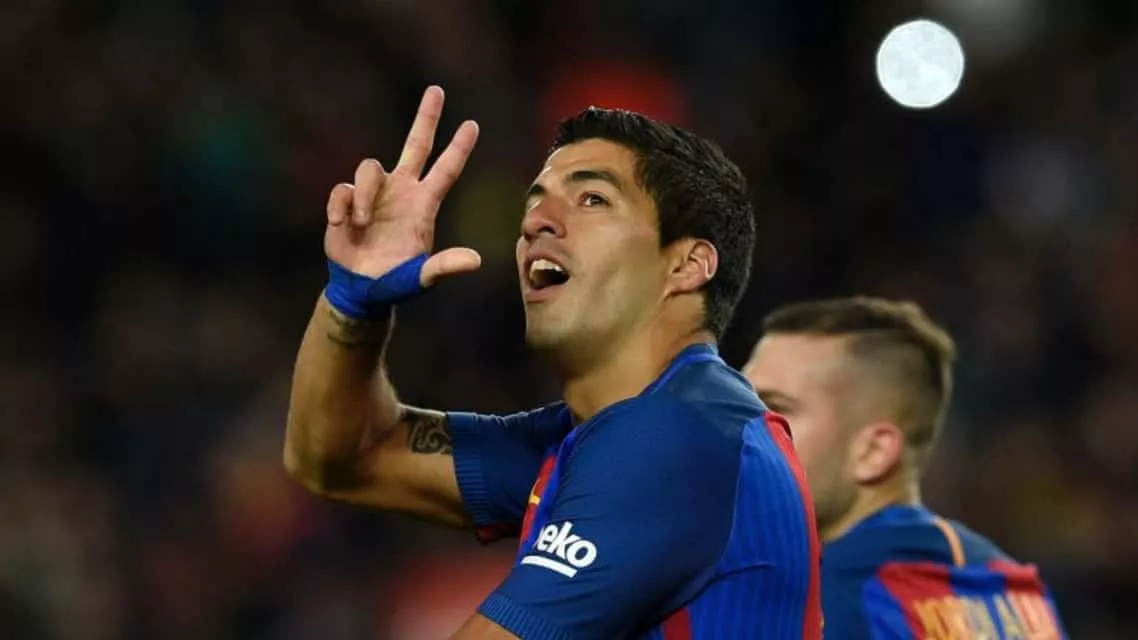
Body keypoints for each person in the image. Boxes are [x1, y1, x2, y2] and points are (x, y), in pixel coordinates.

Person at [283, 85, 822, 639]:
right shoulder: (612, 435)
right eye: (534, 201)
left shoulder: (676, 439)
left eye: (592, 199)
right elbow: (344, 455)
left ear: (687, 265)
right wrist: (354, 302)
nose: (536, 221)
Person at [741, 296, 1067, 639]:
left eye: (776, 409)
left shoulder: (805, 606)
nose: (738, 430)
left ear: (874, 452)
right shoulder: (1021, 594)